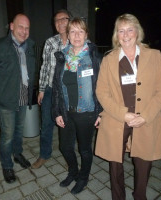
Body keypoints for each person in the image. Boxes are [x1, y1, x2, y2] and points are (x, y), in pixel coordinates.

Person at [95, 13, 161, 200]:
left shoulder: (154, 56)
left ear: (138, 32)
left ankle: (140, 195)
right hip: (117, 119)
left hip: (146, 118)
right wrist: (124, 115)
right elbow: (102, 92)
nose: (126, 34)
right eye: (121, 30)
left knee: (144, 161)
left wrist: (145, 115)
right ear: (116, 35)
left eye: (130, 29)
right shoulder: (109, 59)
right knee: (115, 163)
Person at [0, 14, 36, 184]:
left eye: (27, 28)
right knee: (7, 136)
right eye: (20, 27)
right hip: (5, 102)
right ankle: (7, 165)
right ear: (11, 26)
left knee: (19, 131)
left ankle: (17, 154)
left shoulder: (30, 46)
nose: (24, 32)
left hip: (23, 98)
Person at [52, 17, 102, 194]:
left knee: (85, 149)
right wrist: (57, 111)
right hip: (66, 111)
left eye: (81, 31)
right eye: (73, 31)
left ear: (86, 34)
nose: (77, 35)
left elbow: (103, 87)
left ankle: (83, 177)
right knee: (65, 147)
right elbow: (57, 87)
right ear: (68, 34)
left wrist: (100, 112)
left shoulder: (94, 57)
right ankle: (73, 172)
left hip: (86, 113)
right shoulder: (61, 57)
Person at [31, 9, 71, 169]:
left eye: (64, 19)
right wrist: (41, 90)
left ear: (70, 20)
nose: (60, 22)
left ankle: (69, 157)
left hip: (68, 92)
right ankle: (44, 154)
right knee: (46, 123)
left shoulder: (78, 40)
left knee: (67, 125)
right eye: (57, 20)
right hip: (49, 89)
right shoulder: (50, 42)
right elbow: (45, 67)